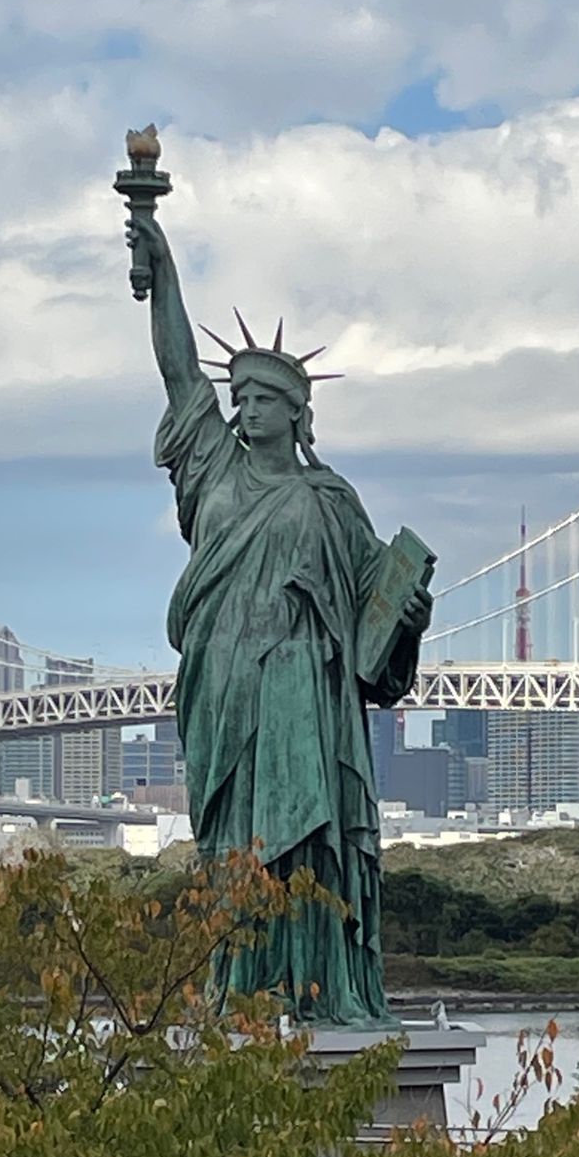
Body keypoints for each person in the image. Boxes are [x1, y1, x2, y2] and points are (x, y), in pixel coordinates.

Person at [128, 211, 432, 1025]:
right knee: (234, 841)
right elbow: (178, 373)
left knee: (307, 844)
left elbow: (377, 615)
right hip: (225, 682)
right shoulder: (212, 471)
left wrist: (409, 609)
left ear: (300, 412)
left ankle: (318, 987)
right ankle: (240, 987)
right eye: (242, 396)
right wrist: (163, 272)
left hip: (304, 689)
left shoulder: (330, 501)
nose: (249, 407)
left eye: (266, 398)